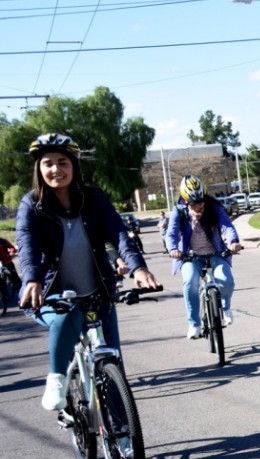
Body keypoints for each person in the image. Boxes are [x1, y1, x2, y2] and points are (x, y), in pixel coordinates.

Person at [15, 133, 161, 411]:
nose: (56, 169)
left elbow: (118, 234)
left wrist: (137, 267)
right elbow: (26, 242)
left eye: (63, 162)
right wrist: (31, 278)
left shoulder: (94, 198)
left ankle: (122, 438)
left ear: (74, 166)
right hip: (49, 295)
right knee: (69, 315)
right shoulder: (30, 205)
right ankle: (57, 380)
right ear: (39, 168)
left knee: (113, 366)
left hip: (98, 295)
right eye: (48, 163)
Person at [165, 175, 242, 339]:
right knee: (190, 282)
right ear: (186, 201)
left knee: (227, 280)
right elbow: (171, 233)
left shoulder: (214, 208)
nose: (199, 206)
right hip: (189, 257)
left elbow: (226, 225)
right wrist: (172, 248)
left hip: (215, 254)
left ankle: (225, 307)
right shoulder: (179, 212)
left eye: (201, 202)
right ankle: (194, 324)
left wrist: (233, 242)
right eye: (194, 203)